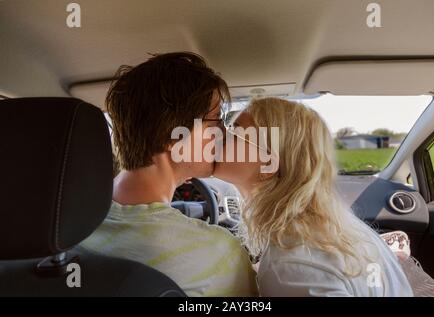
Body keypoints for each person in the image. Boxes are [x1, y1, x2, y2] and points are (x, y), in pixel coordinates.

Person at [82, 52, 257, 297]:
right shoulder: (220, 253)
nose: (222, 133)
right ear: (171, 136)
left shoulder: (63, 230)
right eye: (215, 121)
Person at [213, 97, 414, 296]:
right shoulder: (337, 228)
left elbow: (302, 273)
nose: (218, 135)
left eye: (235, 132)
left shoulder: (289, 267)